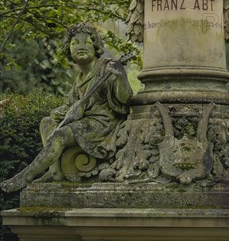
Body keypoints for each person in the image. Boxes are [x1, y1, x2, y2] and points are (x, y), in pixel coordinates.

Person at [0, 23, 132, 192]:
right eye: (75, 43)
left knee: (60, 135)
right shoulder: (79, 78)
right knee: (47, 122)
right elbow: (71, 105)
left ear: (96, 46)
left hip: (103, 124)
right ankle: (54, 172)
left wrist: (120, 77)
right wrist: (59, 112)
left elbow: (125, 98)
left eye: (87, 42)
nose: (81, 46)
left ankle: (25, 176)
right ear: (68, 49)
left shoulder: (106, 67)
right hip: (85, 121)